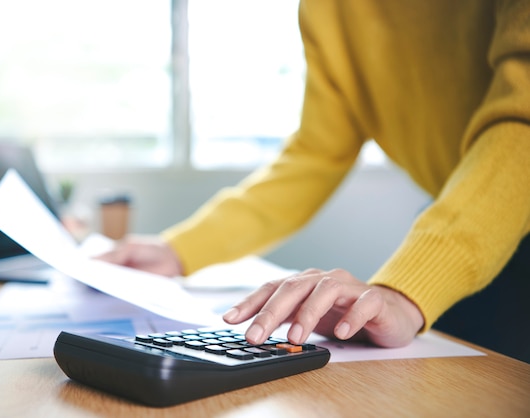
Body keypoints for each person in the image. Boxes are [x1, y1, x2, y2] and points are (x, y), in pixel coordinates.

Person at [97, 0, 530, 361]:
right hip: (466, 223)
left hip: (481, 223)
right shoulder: (328, 8)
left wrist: (405, 290)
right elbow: (316, 153)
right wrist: (180, 250)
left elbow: (522, 122)